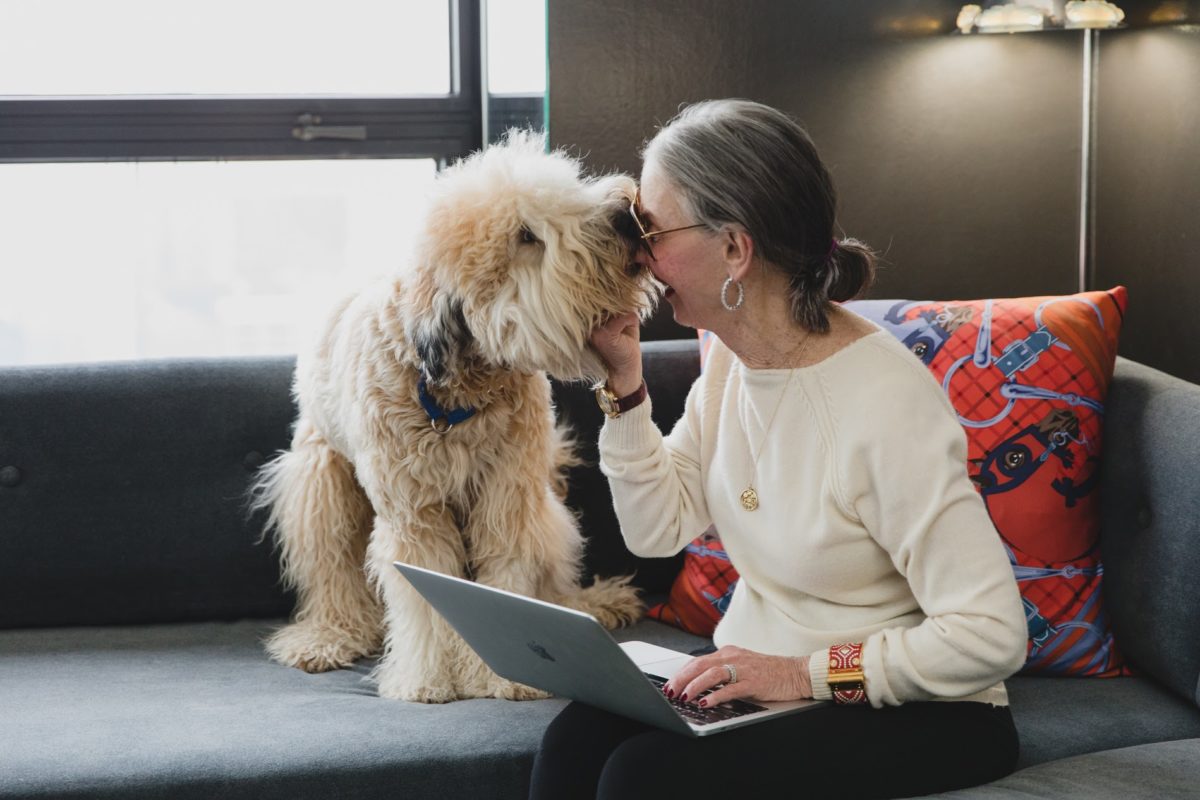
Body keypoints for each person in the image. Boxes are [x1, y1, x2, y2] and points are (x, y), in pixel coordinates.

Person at [528, 99, 1028, 800]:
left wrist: (800, 674)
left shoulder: (884, 405)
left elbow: (989, 637)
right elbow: (655, 531)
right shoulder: (735, 360)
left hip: (924, 709)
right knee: (578, 737)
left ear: (735, 248)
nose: (638, 254)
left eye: (652, 228)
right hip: (768, 676)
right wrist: (626, 388)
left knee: (645, 778)